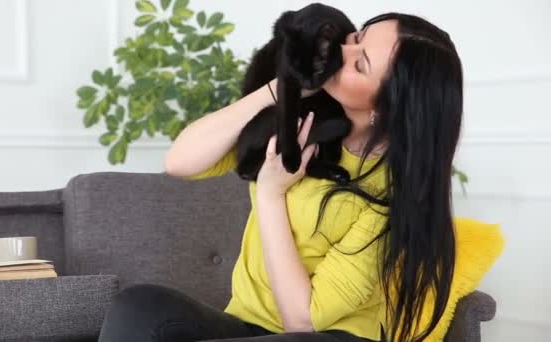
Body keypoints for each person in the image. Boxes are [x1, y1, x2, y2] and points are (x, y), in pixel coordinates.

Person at [98, 11, 463, 342]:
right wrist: (283, 88)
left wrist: (271, 195)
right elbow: (180, 161)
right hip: (246, 328)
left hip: (324, 337)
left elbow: (302, 323)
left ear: (385, 110)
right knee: (139, 308)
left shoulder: (388, 194)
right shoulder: (304, 119)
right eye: (356, 38)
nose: (340, 52)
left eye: (360, 63)